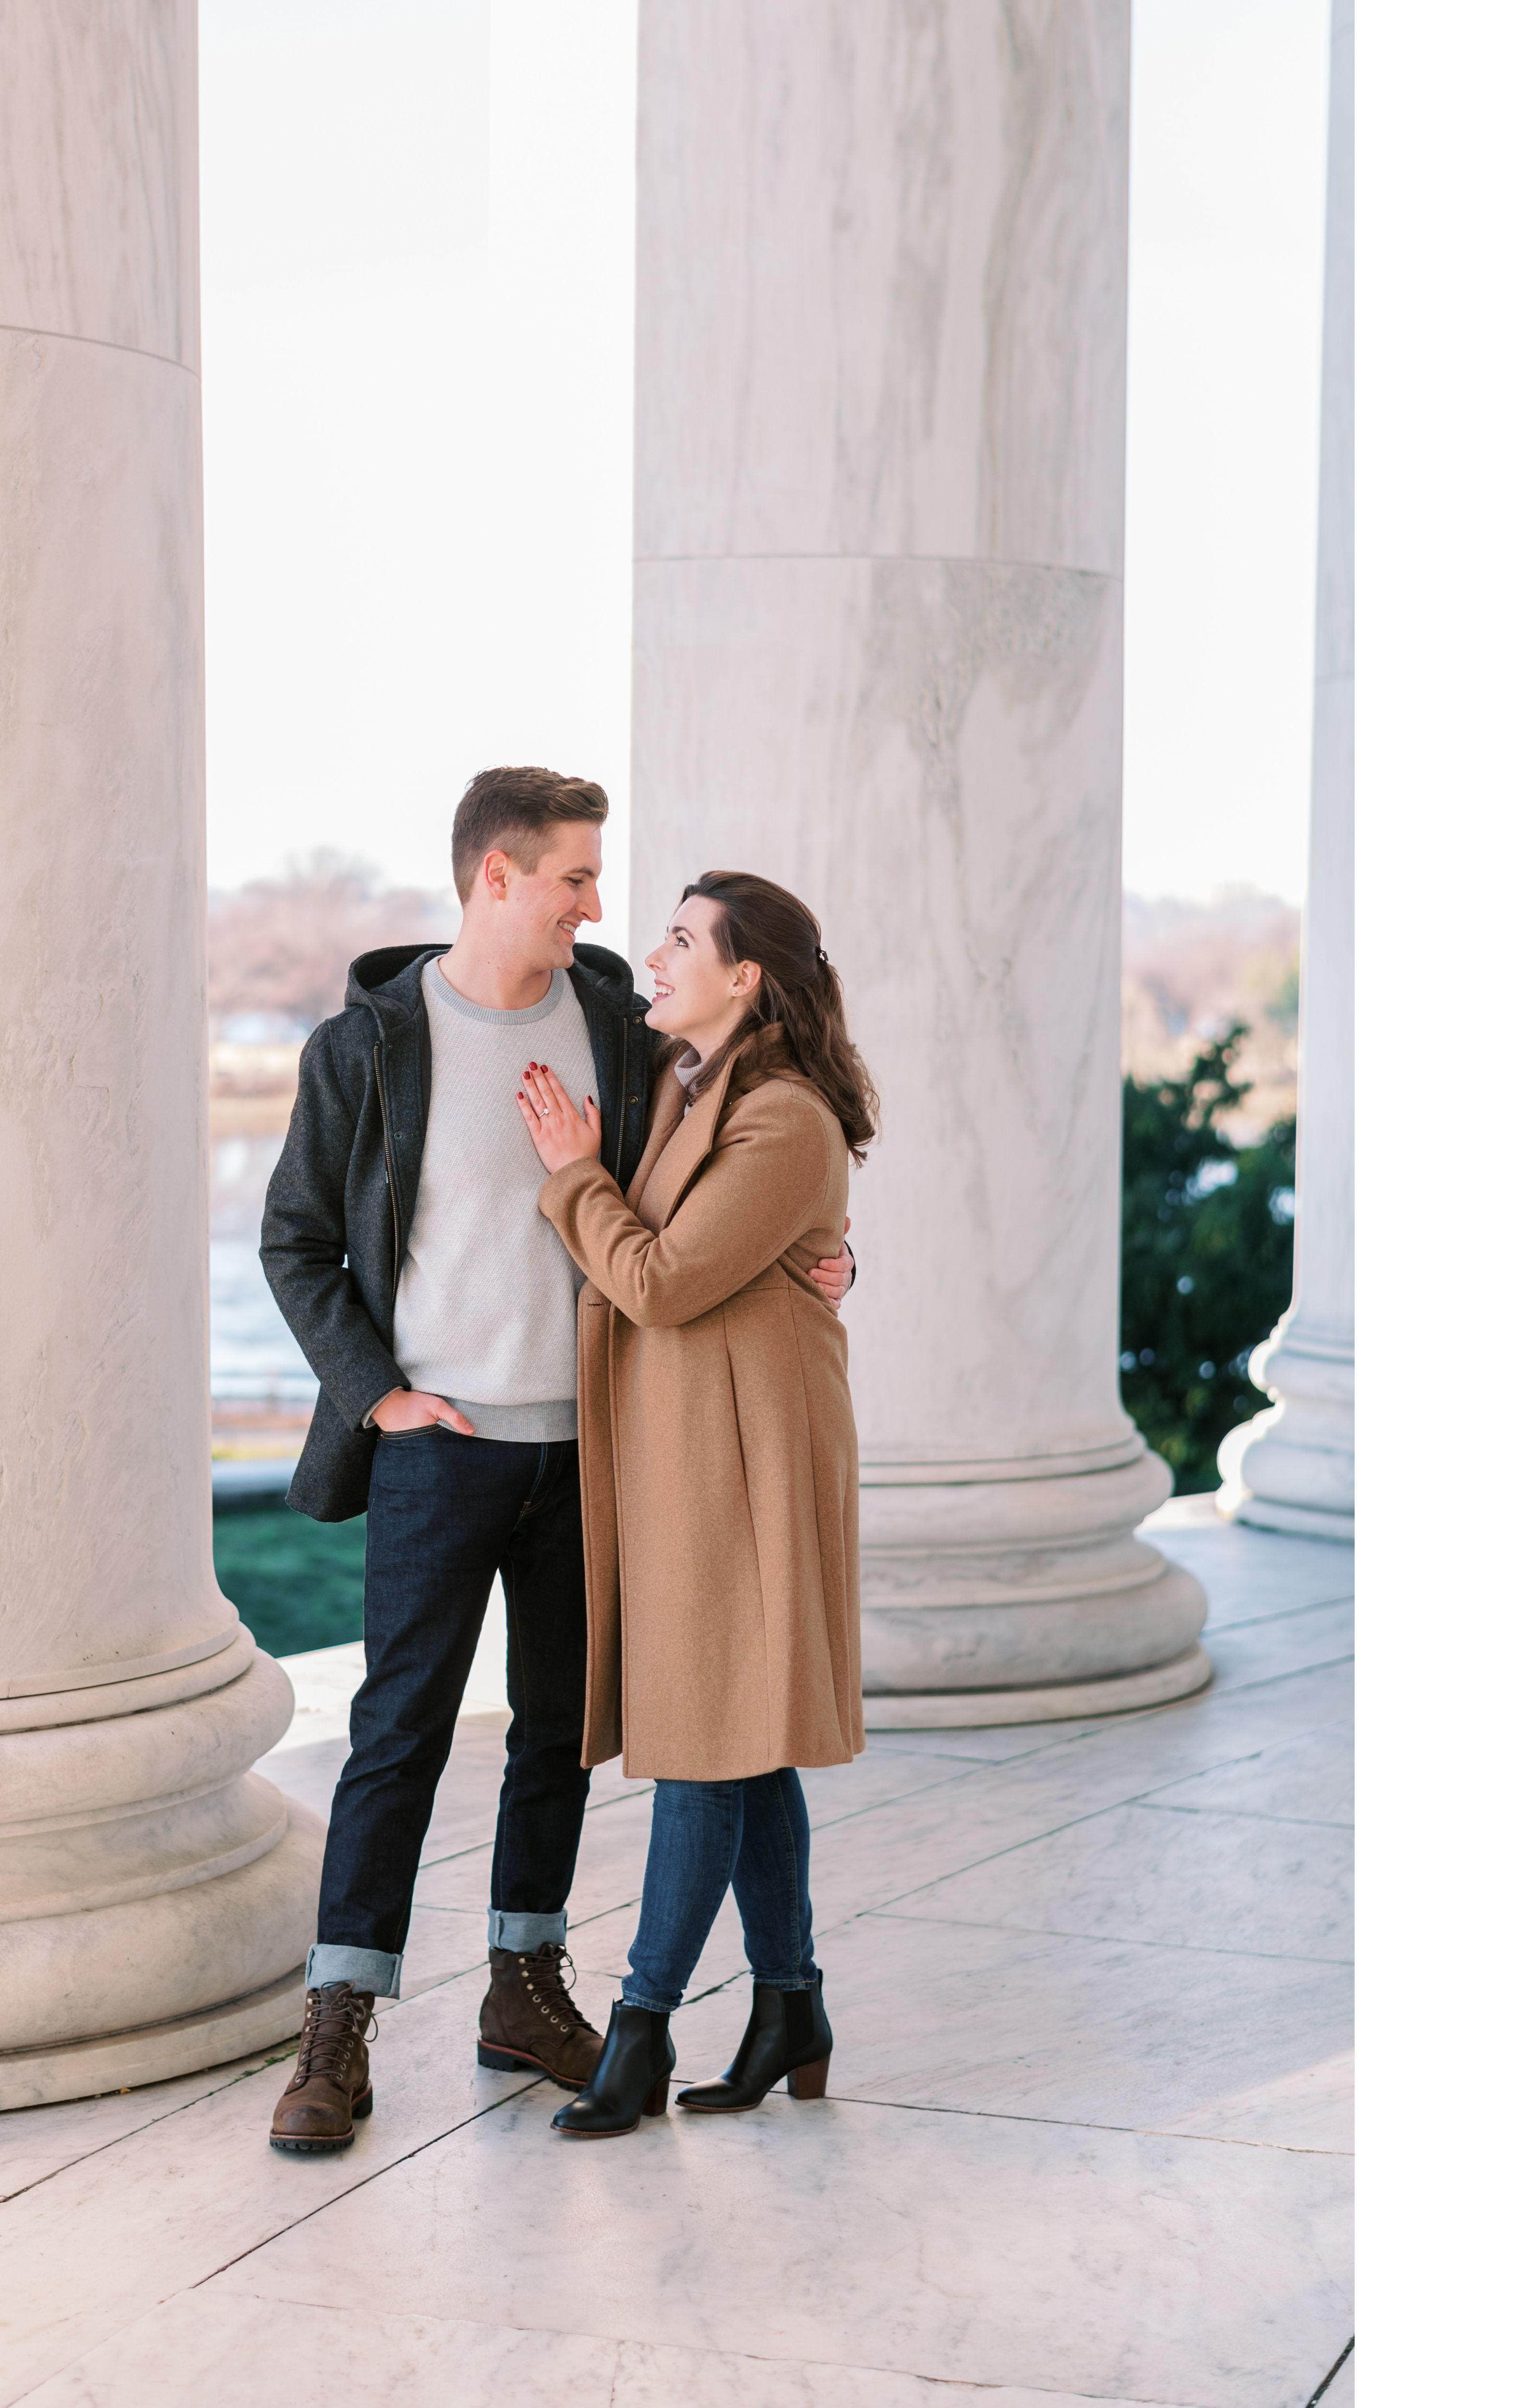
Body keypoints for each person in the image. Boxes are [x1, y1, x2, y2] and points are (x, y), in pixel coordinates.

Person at [258, 776, 852, 2156]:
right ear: (498, 877)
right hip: (441, 1445)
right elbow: (296, 1241)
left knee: (555, 1737)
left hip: (596, 1450)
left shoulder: (621, 1025)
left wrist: (824, 1254)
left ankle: (523, 1989)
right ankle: (337, 2023)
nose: (596, 904)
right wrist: (379, 1395)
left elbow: (724, 1184)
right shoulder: (369, 1043)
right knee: (396, 1733)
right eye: (576, 877)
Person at [515, 870, 875, 2137]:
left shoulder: (782, 1117)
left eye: (680, 940)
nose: (653, 957)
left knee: (707, 1744)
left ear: (746, 976)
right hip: (696, 1452)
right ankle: (790, 2007)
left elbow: (663, 1280)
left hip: (746, 1464)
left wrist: (573, 1175)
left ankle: (641, 2029)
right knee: (744, 1738)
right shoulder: (688, 1083)